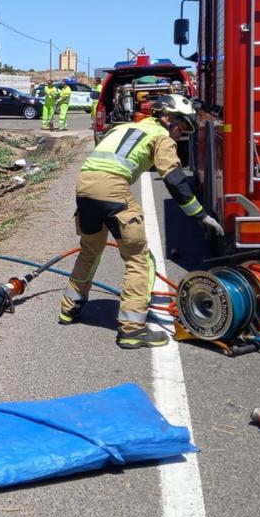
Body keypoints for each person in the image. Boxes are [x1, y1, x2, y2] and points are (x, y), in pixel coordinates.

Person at [58, 94, 224, 349]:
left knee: (90, 250)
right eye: (180, 126)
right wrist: (200, 216)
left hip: (84, 186)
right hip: (112, 189)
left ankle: (69, 309)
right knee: (139, 260)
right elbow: (175, 179)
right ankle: (132, 330)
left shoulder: (125, 127)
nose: (180, 134)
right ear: (166, 118)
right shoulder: (160, 136)